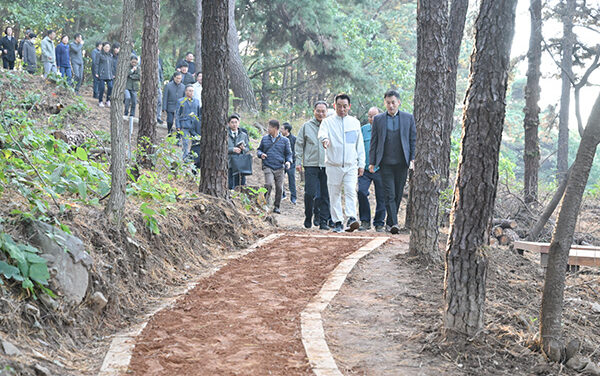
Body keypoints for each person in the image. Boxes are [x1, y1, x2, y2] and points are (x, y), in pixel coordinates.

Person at [369, 89, 416, 234]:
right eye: (388, 103)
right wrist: (372, 161)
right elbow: (374, 142)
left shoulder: (408, 118)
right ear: (385, 103)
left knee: (398, 193)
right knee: (389, 193)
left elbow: (412, 140)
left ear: (398, 102)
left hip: (402, 162)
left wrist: (412, 158)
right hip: (385, 162)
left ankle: (390, 222)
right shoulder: (379, 119)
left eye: (393, 103)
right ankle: (394, 223)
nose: (391, 106)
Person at [318, 93, 365, 233]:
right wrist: (325, 140)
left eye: (345, 106)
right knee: (334, 193)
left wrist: (361, 164)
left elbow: (359, 145)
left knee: (351, 190)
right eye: (339, 106)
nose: (342, 109)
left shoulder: (355, 123)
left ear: (349, 107)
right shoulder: (328, 122)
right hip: (333, 164)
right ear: (334, 106)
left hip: (351, 165)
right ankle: (337, 221)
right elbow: (322, 133)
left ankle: (352, 218)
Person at [296, 101, 331, 230]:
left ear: (326, 112)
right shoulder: (306, 126)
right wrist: (298, 161)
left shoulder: (330, 125)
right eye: (318, 111)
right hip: (311, 164)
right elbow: (299, 144)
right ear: (314, 111)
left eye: (323, 111)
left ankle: (323, 221)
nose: (321, 113)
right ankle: (308, 215)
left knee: (325, 194)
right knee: (310, 193)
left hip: (328, 165)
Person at [358, 107, 386, 232]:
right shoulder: (363, 130)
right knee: (361, 192)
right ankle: (365, 221)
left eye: (375, 116)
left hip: (381, 169)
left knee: (382, 196)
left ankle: (379, 223)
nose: (372, 119)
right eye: (369, 116)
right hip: (364, 169)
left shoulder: (386, 130)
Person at [257, 120, 292, 214]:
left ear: (275, 128)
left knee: (279, 188)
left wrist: (288, 161)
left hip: (280, 167)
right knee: (268, 184)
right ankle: (264, 204)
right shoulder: (264, 139)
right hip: (268, 166)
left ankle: (277, 206)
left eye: (269, 127)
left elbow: (289, 154)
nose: (268, 129)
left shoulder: (285, 140)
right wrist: (261, 154)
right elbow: (259, 150)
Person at [175, 84, 201, 160]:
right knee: (185, 142)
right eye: (189, 91)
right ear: (186, 91)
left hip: (194, 126)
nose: (191, 92)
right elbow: (177, 114)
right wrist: (178, 126)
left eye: (192, 91)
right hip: (184, 124)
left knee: (195, 142)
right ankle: (185, 157)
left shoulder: (197, 101)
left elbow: (199, 114)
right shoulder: (180, 101)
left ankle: (193, 157)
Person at [227, 114, 250, 189]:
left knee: (241, 183)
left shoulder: (243, 135)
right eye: (232, 122)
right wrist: (232, 149)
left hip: (240, 162)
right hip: (229, 161)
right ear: (228, 123)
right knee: (230, 182)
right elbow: (222, 148)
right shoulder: (225, 134)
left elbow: (248, 148)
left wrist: (243, 148)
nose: (234, 124)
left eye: (236, 122)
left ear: (238, 123)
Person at [94, 42, 114, 107]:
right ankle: (100, 101)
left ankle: (108, 100)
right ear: (103, 47)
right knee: (102, 88)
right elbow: (96, 64)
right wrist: (96, 72)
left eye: (108, 47)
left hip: (109, 74)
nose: (107, 48)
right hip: (102, 74)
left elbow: (112, 65)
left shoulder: (111, 55)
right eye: (106, 47)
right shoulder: (99, 54)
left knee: (110, 87)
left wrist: (113, 73)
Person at [281, 122, 297, 204]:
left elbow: (295, 151)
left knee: (292, 180)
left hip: (291, 163)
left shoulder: (294, 139)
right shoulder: (279, 138)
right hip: (281, 162)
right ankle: (282, 194)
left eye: (282, 129)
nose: (281, 130)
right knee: (280, 180)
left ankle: (293, 198)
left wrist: (291, 160)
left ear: (287, 130)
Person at [157, 50, 164, 124]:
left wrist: (162, 81)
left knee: (159, 101)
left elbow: (161, 71)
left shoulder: (160, 60)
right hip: (149, 84)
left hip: (158, 84)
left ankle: (158, 117)